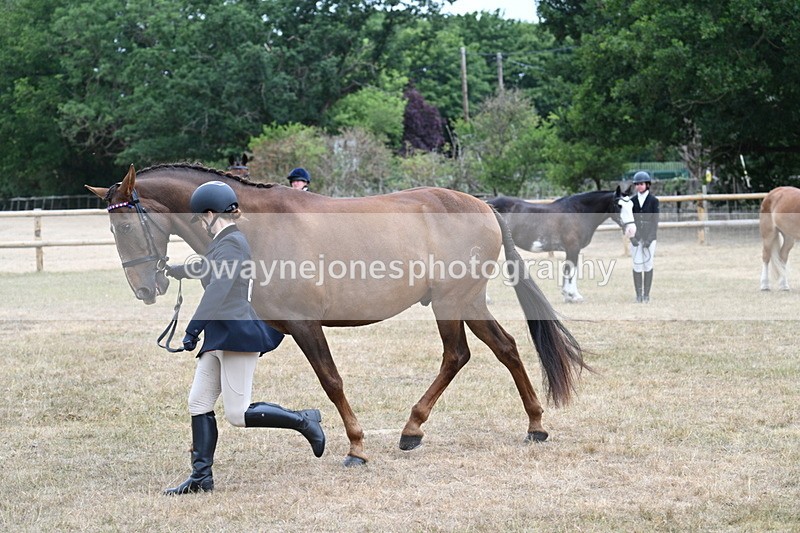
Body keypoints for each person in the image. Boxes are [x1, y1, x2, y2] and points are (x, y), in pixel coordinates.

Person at [163, 180, 325, 495]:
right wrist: (179, 270)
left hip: (236, 333)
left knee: (238, 413)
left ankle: (304, 420)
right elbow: (210, 267)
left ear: (210, 213)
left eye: (201, 218)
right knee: (198, 402)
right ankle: (201, 479)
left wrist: (192, 329)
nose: (202, 225)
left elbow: (218, 292)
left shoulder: (232, 243)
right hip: (221, 334)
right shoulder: (225, 242)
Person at [630, 171, 660, 302]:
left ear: (647, 185)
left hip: (649, 237)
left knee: (648, 264)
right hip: (636, 237)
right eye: (637, 184)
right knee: (637, 265)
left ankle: (646, 294)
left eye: (641, 184)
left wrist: (650, 238)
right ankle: (638, 294)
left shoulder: (653, 201)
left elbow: (655, 221)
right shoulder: (632, 201)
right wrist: (632, 237)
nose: (639, 187)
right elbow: (629, 221)